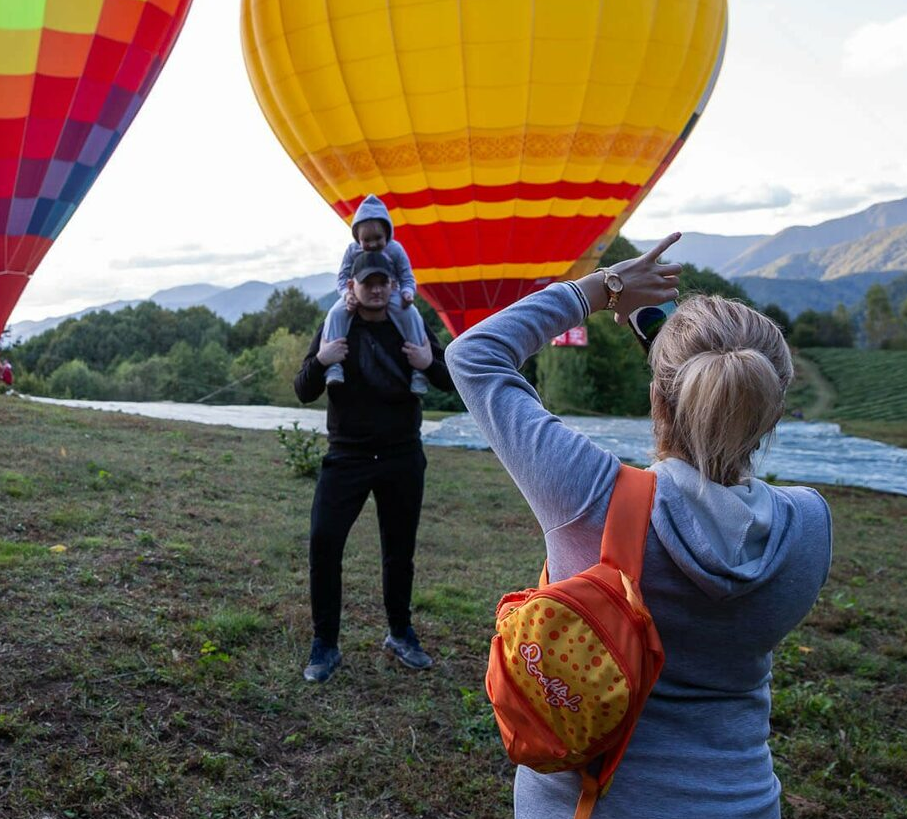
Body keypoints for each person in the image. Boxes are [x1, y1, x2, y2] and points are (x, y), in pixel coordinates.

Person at [443, 235, 832, 819]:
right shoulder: (809, 523)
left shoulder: (589, 492)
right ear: (772, 412)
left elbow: (473, 356)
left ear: (658, 400)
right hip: (744, 800)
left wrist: (600, 290)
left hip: (590, 804)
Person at [293, 250, 455, 682]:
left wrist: (428, 363)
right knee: (324, 543)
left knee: (399, 552)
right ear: (353, 286)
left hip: (402, 454)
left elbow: (450, 377)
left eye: (383, 281)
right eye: (368, 282)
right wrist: (323, 359)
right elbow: (303, 389)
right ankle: (325, 643)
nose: (377, 289)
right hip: (347, 455)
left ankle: (400, 633)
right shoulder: (337, 325)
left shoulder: (410, 323)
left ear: (393, 284)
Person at [322, 195, 433, 396]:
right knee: (336, 313)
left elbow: (407, 276)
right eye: (366, 240)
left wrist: (407, 293)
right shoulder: (352, 250)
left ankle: (419, 369)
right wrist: (347, 295)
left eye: (378, 238)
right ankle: (333, 365)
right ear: (357, 238)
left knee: (411, 314)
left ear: (388, 234)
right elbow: (342, 278)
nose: (373, 244)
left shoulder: (395, 249)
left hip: (392, 292)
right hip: (356, 295)